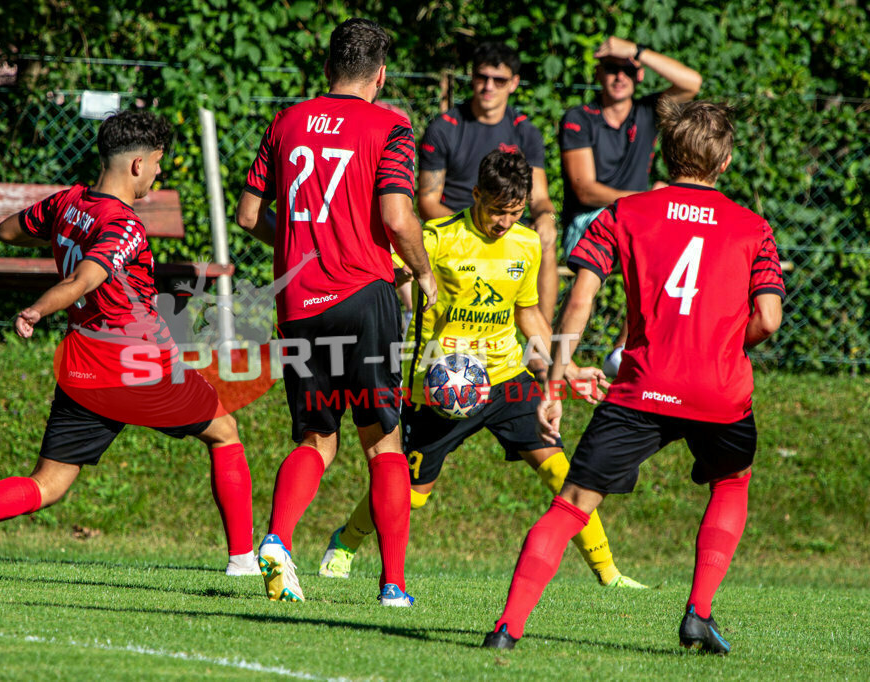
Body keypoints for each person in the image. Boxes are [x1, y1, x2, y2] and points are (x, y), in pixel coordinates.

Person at [0, 110, 260, 577]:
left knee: (47, 484)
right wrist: (39, 308)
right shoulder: (124, 225)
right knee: (224, 433)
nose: (159, 172)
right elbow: (86, 278)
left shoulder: (68, 203)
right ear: (136, 165)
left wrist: (63, 239)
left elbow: (6, 230)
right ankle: (243, 561)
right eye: (158, 163)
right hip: (138, 363)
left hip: (85, 366)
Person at [483, 99, 785, 654]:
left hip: (643, 382)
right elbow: (768, 318)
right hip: (719, 391)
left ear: (665, 155)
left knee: (572, 503)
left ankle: (508, 627)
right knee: (731, 481)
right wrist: (720, 343)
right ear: (725, 161)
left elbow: (579, 303)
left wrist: (553, 383)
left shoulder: (626, 213)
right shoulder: (753, 228)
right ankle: (698, 611)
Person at [317, 149, 645, 591]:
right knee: (412, 493)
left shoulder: (527, 244)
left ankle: (609, 574)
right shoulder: (436, 238)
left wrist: (563, 369)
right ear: (475, 196)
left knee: (559, 470)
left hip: (506, 377)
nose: (504, 222)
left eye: (513, 213)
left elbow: (528, 316)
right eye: (496, 211)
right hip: (441, 388)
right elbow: (385, 278)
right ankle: (346, 541)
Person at [236, 18, 437, 606]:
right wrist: (421, 270)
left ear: (328, 69)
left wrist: (296, 249)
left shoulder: (287, 121)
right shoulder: (391, 124)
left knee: (317, 436)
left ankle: (276, 538)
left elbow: (250, 216)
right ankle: (393, 585)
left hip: (299, 305)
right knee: (384, 444)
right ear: (380, 74)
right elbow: (398, 218)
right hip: (363, 298)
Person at [560, 36, 702, 374]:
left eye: (627, 69)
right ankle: (562, 357)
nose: (619, 77)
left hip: (639, 220)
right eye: (612, 69)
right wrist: (646, 199)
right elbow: (585, 190)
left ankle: (624, 350)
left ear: (638, 76)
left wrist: (637, 51)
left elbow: (692, 82)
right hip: (588, 220)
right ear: (599, 74)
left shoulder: (647, 112)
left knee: (671, 254)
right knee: (596, 279)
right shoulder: (579, 118)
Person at [418, 41, 559, 322]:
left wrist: (545, 217)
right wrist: (474, 226)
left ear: (514, 83)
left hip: (505, 224)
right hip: (457, 225)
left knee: (545, 240)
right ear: (472, 78)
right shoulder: (444, 128)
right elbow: (427, 202)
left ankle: (542, 350)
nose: (489, 86)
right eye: (482, 77)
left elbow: (539, 196)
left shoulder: (525, 131)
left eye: (499, 79)